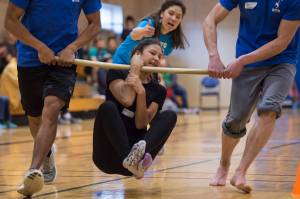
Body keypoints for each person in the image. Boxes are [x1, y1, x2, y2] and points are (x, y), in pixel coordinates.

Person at [4, 0, 102, 196]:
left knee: (51, 109)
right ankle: (47, 154)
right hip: (30, 59)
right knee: (34, 117)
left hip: (64, 61)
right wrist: (40, 47)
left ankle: (33, 170)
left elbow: (95, 24)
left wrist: (72, 47)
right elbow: (10, 21)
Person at [203, 0, 300, 193]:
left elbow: (282, 42)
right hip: (247, 64)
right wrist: (213, 56)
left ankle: (241, 171)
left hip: (281, 61)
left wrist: (242, 60)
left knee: (269, 109)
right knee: (235, 121)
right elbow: (210, 19)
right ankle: (224, 165)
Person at [93, 38, 177, 178]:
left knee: (170, 116)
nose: (156, 58)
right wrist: (135, 70)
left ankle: (133, 159)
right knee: (107, 107)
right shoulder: (117, 72)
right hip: (106, 156)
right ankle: (128, 157)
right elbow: (126, 99)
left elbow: (140, 123)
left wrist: (142, 93)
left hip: (135, 159)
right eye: (152, 53)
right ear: (137, 54)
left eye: (159, 56)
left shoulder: (158, 90)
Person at [113, 0, 187, 66]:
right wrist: (142, 31)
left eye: (178, 17)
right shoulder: (149, 24)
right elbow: (133, 34)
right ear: (162, 13)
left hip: (143, 71)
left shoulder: (172, 40)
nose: (174, 18)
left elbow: (159, 59)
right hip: (122, 63)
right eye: (171, 13)